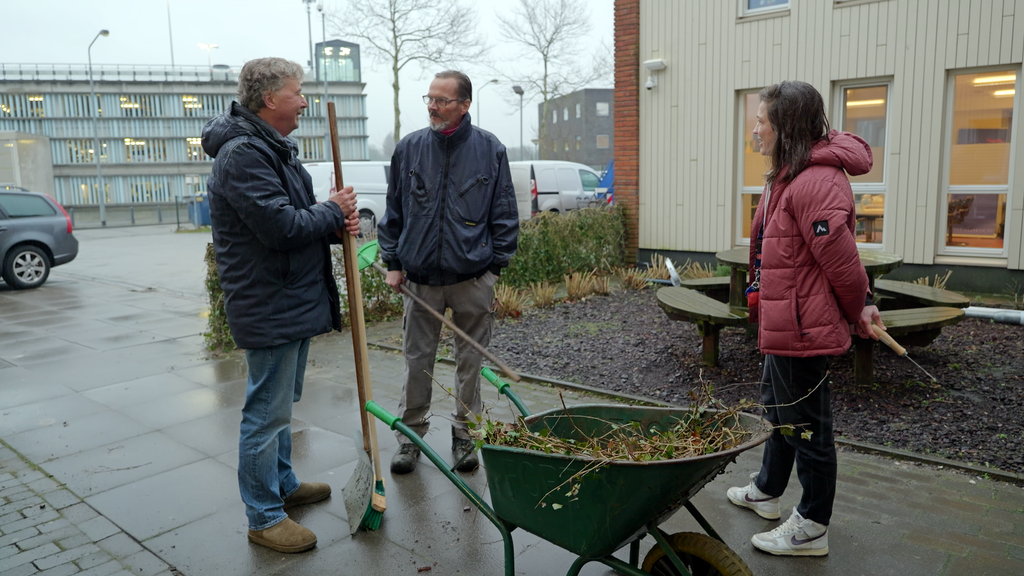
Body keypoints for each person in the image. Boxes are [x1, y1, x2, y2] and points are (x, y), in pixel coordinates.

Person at [202, 57, 360, 554]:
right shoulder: (243, 155)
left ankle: (284, 484)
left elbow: (294, 221)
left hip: (289, 296)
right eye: (299, 92)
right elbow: (280, 228)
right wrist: (331, 209)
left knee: (280, 405)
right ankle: (264, 516)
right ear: (271, 99)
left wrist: (331, 227)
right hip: (268, 301)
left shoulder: (274, 148)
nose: (306, 101)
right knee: (265, 413)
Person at [726, 81, 883, 557]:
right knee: (779, 410)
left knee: (809, 426)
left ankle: (812, 526)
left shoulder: (815, 181)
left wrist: (861, 306)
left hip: (804, 327)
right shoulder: (789, 172)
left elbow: (842, 262)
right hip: (783, 321)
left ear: (786, 128)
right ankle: (768, 491)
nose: (754, 130)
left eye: (761, 122)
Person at [377, 70, 519, 475]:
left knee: (470, 362)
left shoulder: (490, 150)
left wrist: (494, 269)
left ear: (465, 105)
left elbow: (504, 214)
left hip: (473, 280)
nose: (432, 106)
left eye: (441, 100)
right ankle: (411, 439)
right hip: (419, 281)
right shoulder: (409, 149)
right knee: (415, 360)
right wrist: (393, 263)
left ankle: (464, 436)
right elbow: (395, 212)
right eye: (429, 98)